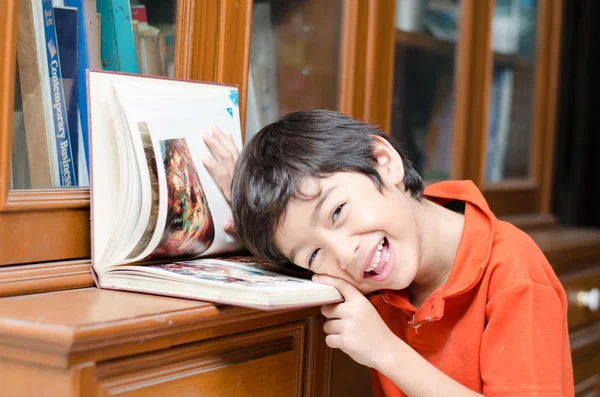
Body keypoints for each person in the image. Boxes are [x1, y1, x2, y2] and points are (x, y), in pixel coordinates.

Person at [202, 110, 573, 397]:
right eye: (314, 256)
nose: (345, 255)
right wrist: (252, 212)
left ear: (383, 161)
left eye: (337, 212)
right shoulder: (377, 257)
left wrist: (385, 351)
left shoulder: (514, 274)